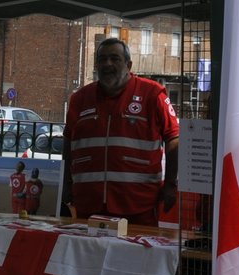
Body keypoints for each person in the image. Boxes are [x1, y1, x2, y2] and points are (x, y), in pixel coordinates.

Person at [60, 36, 179, 226]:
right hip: (88, 204)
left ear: (128, 65)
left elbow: (174, 139)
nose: (108, 64)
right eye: (102, 59)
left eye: (115, 59)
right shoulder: (79, 99)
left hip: (138, 204)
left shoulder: (152, 94)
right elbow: (68, 142)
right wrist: (65, 183)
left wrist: (171, 184)